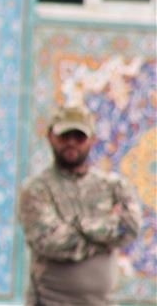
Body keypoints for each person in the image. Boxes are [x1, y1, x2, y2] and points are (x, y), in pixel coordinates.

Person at [18, 104, 142, 306]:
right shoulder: (36, 189)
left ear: (92, 139)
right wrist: (105, 237)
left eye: (79, 137)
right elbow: (48, 242)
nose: (71, 143)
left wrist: (75, 226)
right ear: (50, 136)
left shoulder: (113, 186)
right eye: (64, 136)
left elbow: (129, 229)